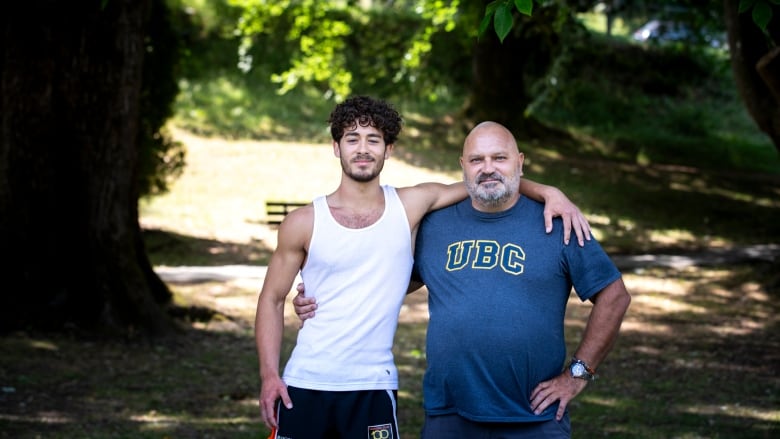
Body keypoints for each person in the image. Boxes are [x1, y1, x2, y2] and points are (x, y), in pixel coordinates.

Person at [256, 96, 591, 439]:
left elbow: (488, 181)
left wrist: (549, 191)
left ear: (389, 150)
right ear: (335, 147)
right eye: (352, 139)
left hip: (374, 386)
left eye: (373, 140)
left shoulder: (411, 205)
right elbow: (270, 299)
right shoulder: (303, 222)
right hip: (305, 380)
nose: (362, 149)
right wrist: (270, 375)